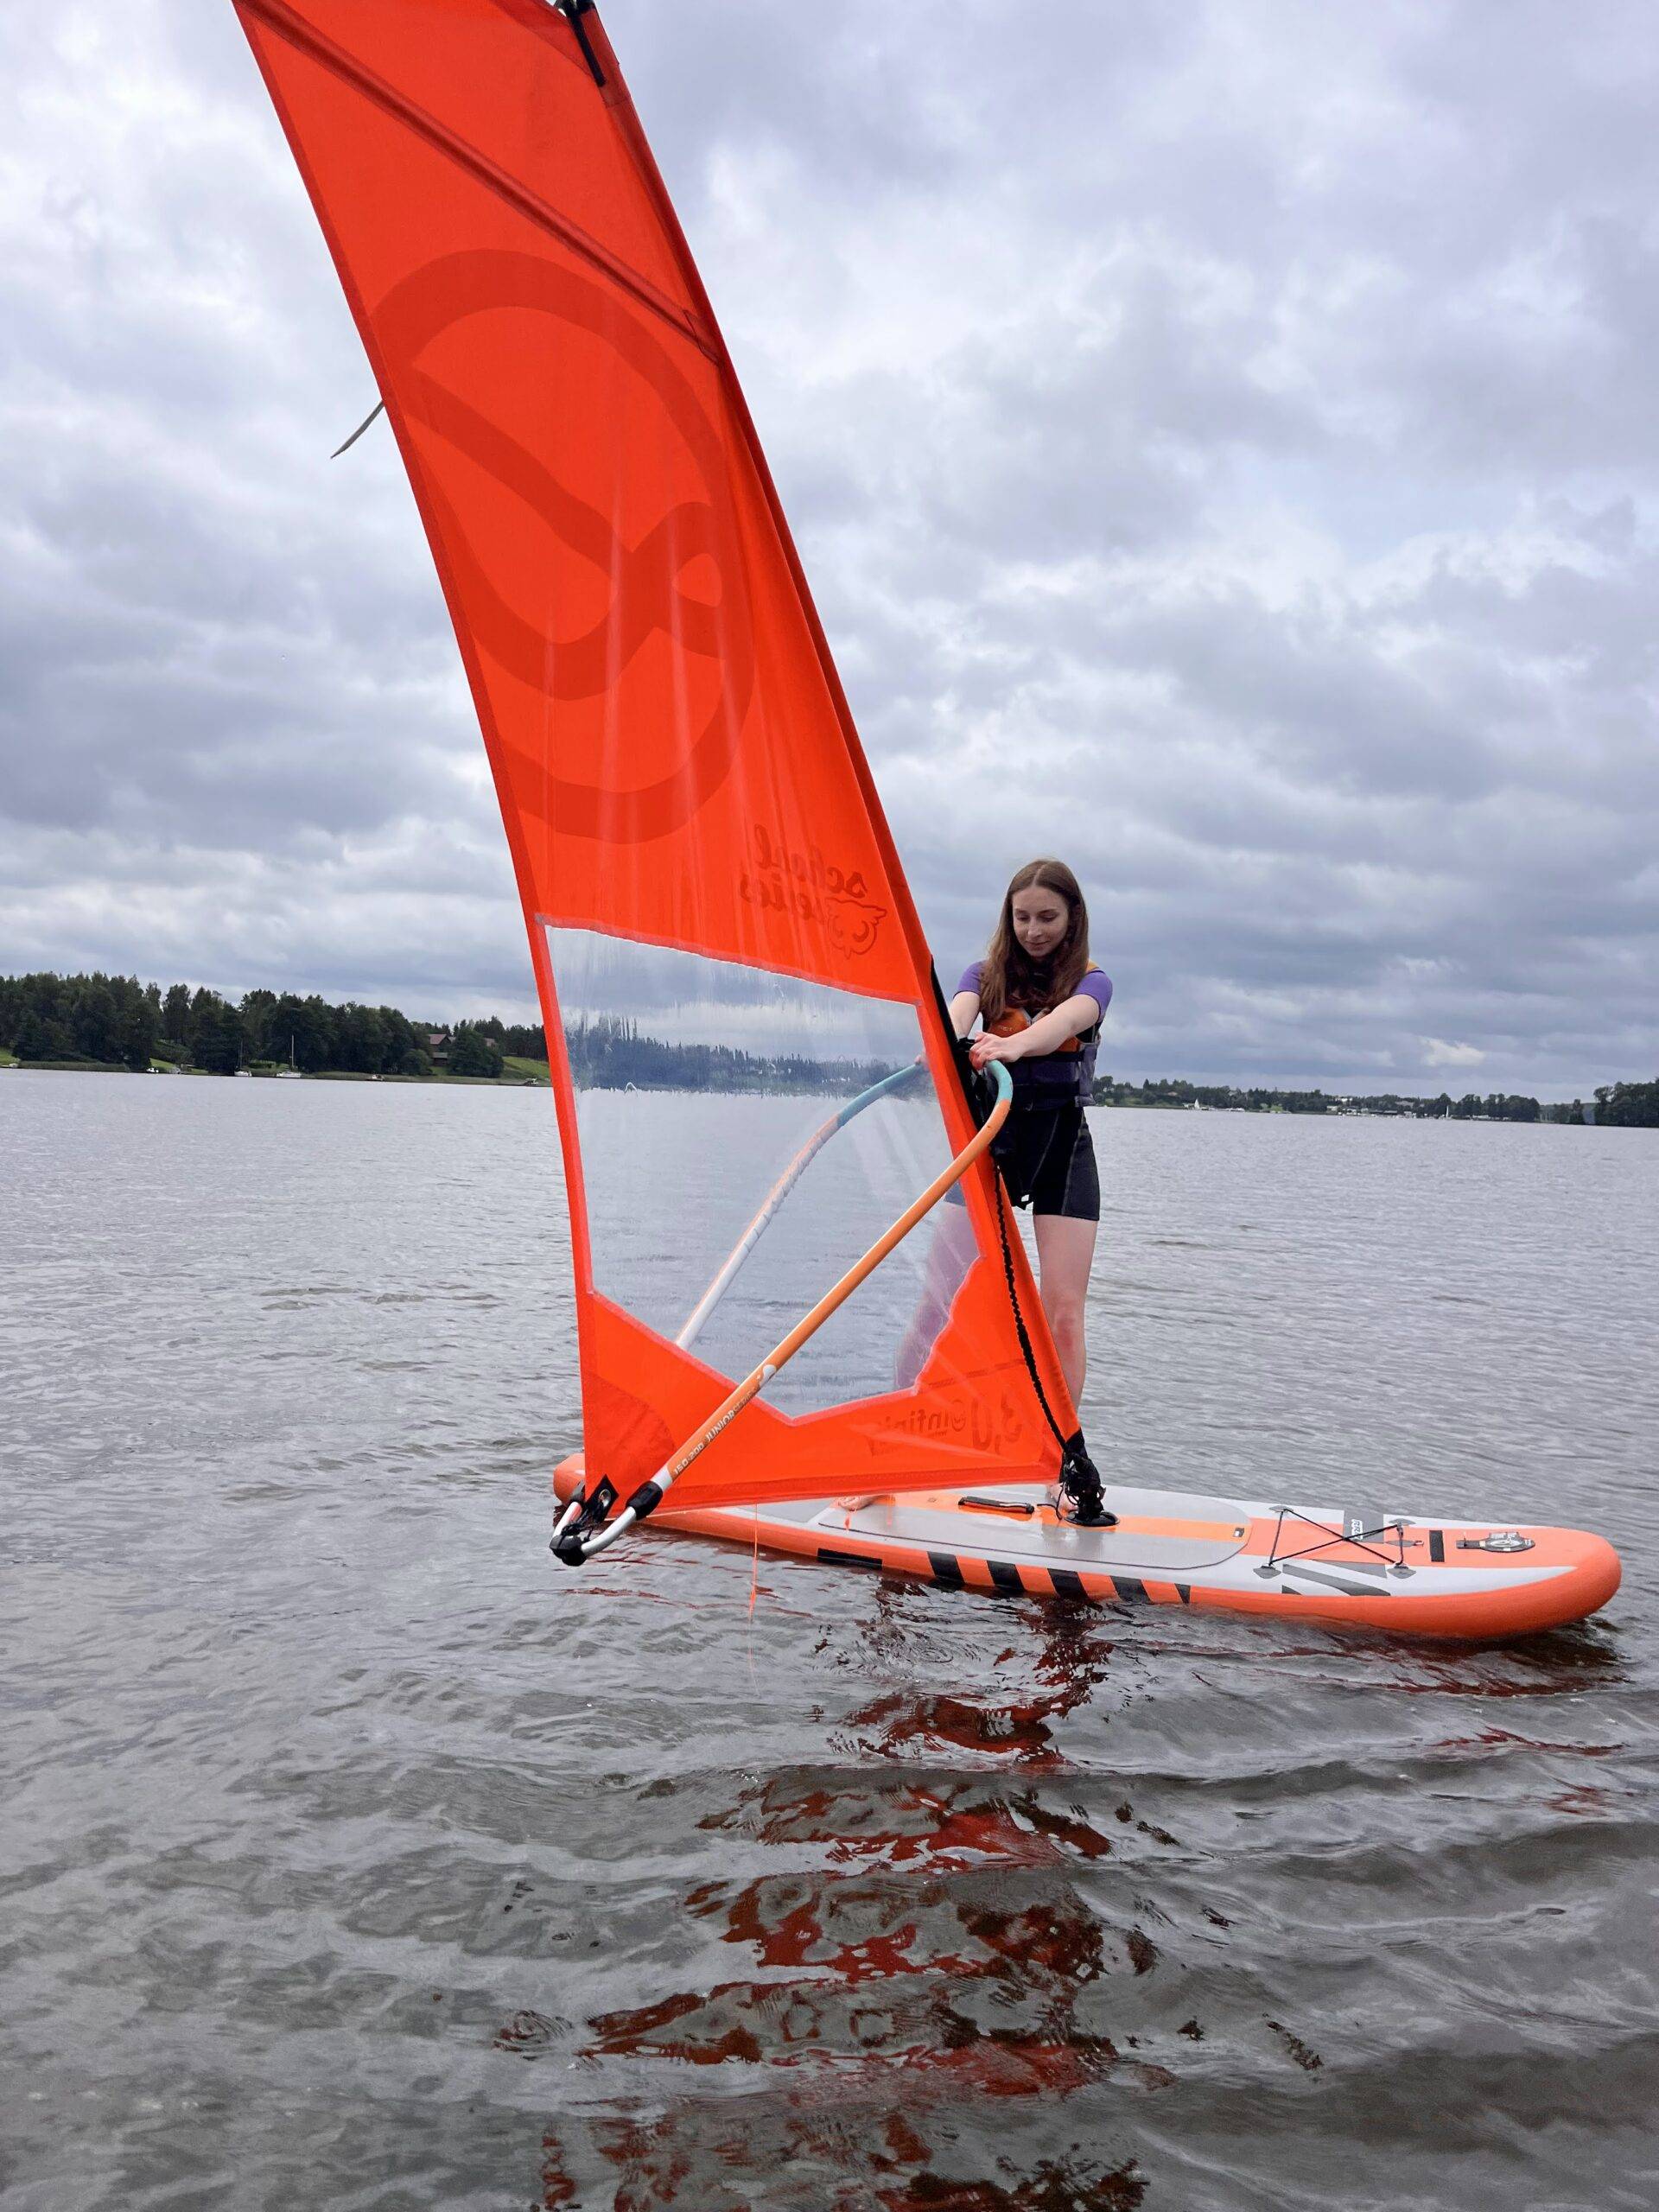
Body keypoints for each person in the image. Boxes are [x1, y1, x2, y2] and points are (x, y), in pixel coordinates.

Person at [950, 858, 1110, 1404]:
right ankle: (901, 1433)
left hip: (1061, 1148)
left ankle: (1063, 1446)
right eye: (1023, 918)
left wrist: (1011, 1045)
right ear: (1008, 917)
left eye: (1047, 917)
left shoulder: (1093, 983)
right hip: (986, 1145)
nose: (1034, 930)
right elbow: (956, 1018)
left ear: (1073, 918)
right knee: (941, 1300)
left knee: (1062, 1313)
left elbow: (1064, 1024)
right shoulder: (981, 976)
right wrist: (946, 1043)